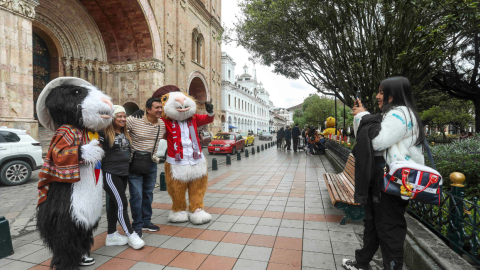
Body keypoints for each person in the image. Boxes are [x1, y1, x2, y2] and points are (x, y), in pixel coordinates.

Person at [343, 76, 425, 270]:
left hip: (393, 181)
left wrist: (364, 115)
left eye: (381, 92)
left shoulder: (401, 113)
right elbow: (362, 138)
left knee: (389, 230)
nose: (378, 96)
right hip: (381, 179)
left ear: (392, 94)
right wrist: (360, 116)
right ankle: (362, 263)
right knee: (372, 223)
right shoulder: (391, 113)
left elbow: (377, 142)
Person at [99, 105, 145, 249]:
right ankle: (131, 235)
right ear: (112, 118)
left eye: (124, 116)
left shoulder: (125, 133)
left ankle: (112, 235)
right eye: (119, 116)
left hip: (124, 173)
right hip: (110, 173)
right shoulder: (103, 133)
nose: (123, 119)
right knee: (122, 204)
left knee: (114, 205)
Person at [127, 97, 165, 237]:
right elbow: (118, 126)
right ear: (148, 109)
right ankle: (136, 225)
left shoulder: (162, 124)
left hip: (151, 163)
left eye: (161, 107)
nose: (160, 110)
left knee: (148, 194)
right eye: (157, 107)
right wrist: (130, 115)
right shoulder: (134, 120)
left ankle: (146, 221)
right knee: (136, 195)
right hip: (135, 164)